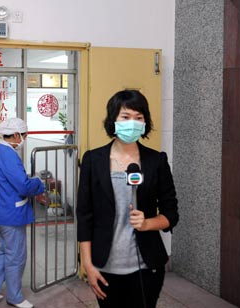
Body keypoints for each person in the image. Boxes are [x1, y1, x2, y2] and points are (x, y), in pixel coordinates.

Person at [76, 90, 179, 308]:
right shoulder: (93, 160)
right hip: (104, 266)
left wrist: (147, 223)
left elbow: (171, 215)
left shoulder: (156, 161)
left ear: (145, 122)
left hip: (146, 266)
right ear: (113, 120)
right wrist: (87, 263)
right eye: (125, 117)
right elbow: (84, 215)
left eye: (139, 118)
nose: (132, 123)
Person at [0, 117, 44, 308]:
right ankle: (15, 297)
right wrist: (38, 183)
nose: (24, 139)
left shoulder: (0, 151)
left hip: (1, 211)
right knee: (16, 256)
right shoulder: (8, 155)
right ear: (15, 135)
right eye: (24, 135)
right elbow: (23, 185)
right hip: (11, 215)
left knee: (5, 251)